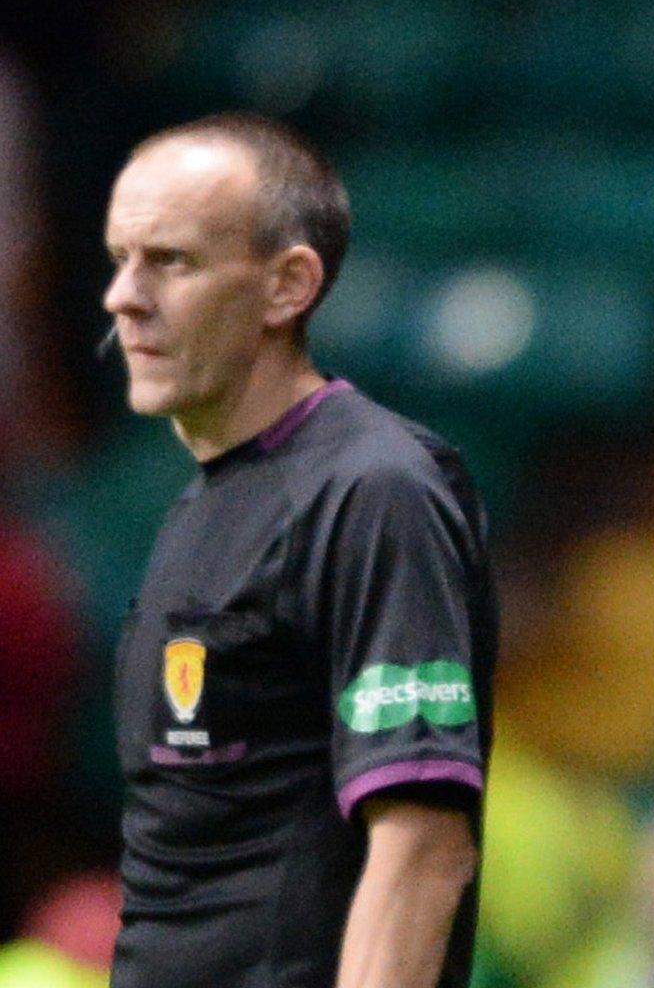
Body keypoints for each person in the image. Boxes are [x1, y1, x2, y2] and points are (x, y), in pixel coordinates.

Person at [101, 114, 497, 988]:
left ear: (288, 287)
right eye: (119, 258)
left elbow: (423, 850)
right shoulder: (204, 505)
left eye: (171, 261)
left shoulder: (373, 489)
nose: (122, 296)